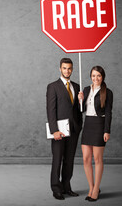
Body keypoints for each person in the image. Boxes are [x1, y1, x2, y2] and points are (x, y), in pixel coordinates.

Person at [46, 58, 83, 200]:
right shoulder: (53, 87)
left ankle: (66, 186)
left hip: (73, 129)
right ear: (60, 69)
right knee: (57, 159)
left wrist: (81, 101)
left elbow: (81, 110)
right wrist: (54, 130)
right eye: (64, 68)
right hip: (59, 130)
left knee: (69, 160)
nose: (67, 71)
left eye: (69, 68)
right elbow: (51, 110)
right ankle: (56, 188)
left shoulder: (77, 86)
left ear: (72, 69)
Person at [78, 66, 113, 202]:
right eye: (93, 76)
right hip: (88, 124)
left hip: (99, 125)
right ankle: (92, 188)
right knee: (86, 158)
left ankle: (96, 188)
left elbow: (109, 113)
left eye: (98, 76)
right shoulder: (86, 89)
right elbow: (82, 110)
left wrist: (107, 130)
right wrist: (80, 100)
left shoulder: (107, 92)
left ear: (102, 76)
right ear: (90, 76)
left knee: (97, 159)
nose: (96, 78)